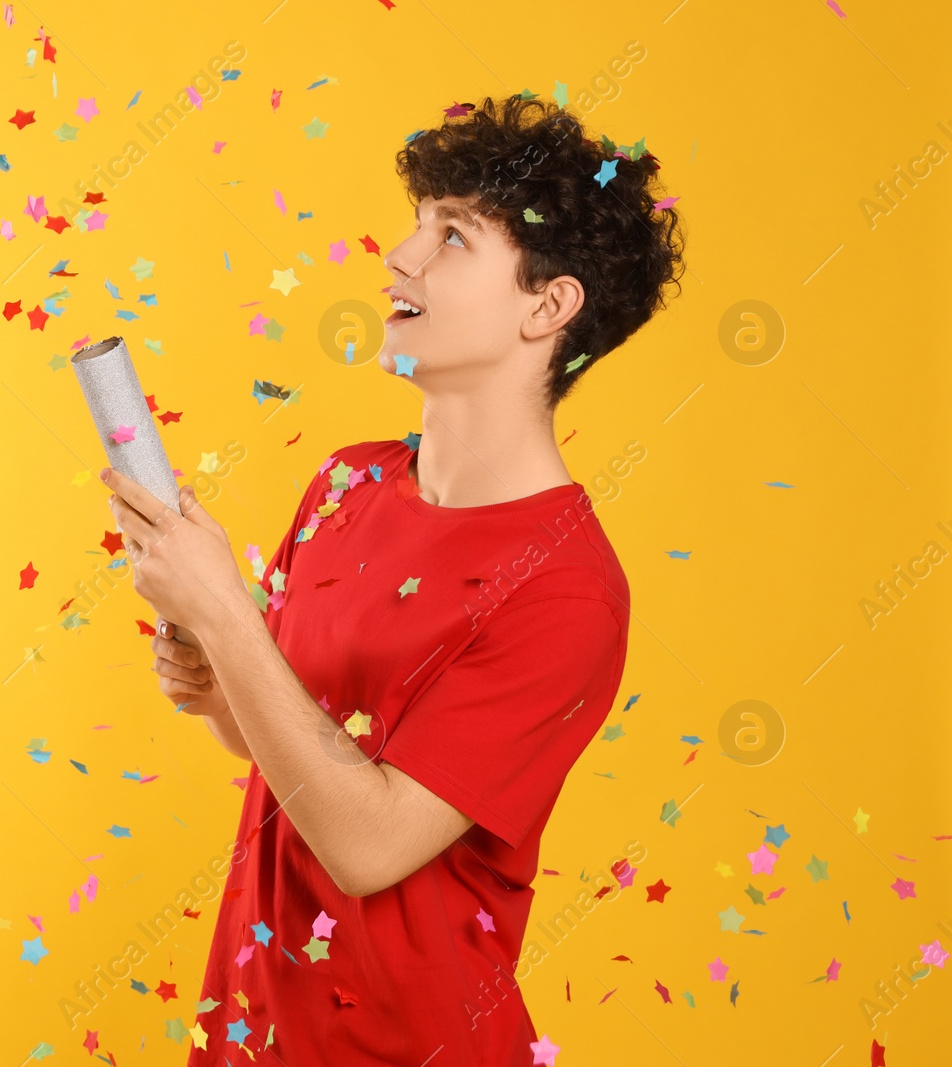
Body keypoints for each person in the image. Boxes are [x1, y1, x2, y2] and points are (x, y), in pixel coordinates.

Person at [103, 94, 685, 1065]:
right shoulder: (348, 481)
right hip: (255, 1030)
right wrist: (213, 681)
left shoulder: (565, 590)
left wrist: (226, 615)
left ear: (548, 305)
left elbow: (369, 842)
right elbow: (294, 754)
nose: (401, 257)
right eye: (417, 224)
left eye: (450, 236)